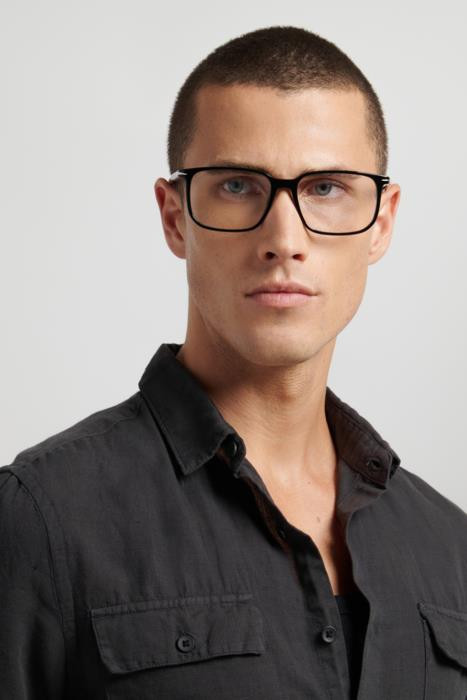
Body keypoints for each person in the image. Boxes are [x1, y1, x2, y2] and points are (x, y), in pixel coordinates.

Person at [1, 24, 466, 700]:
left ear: (381, 222)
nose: (284, 238)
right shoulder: (39, 519)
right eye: (239, 185)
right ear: (174, 217)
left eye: (326, 188)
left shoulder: (451, 549)